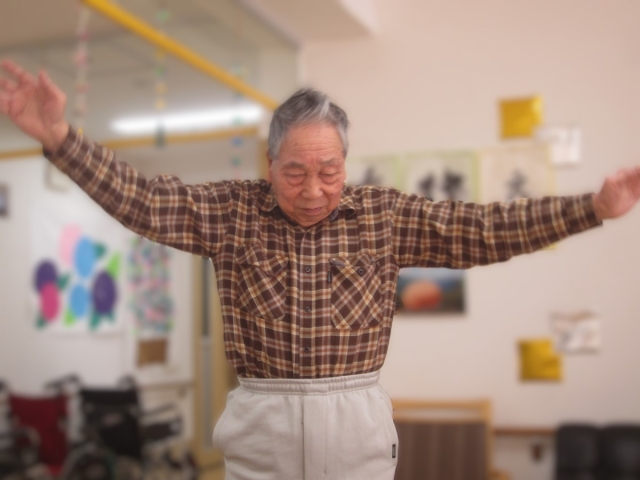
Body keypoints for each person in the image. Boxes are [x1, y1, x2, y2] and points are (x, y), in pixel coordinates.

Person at [1, 59, 639, 480]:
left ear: (346, 164)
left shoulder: (381, 216)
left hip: (357, 432)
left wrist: (591, 208)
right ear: (269, 165)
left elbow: (484, 229)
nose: (313, 190)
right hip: (261, 432)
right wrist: (59, 139)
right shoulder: (231, 212)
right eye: (295, 173)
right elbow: (142, 200)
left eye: (329, 171)